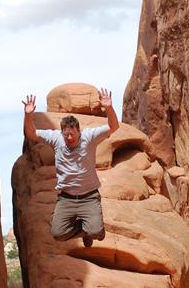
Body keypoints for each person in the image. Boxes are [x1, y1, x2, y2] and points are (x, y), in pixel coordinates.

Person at [22, 88, 119, 247]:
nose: (69, 138)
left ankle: (92, 231)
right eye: (66, 134)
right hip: (66, 198)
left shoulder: (89, 137)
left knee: (96, 231)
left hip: (89, 197)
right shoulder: (56, 138)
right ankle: (84, 230)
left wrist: (108, 108)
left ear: (78, 130)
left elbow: (113, 127)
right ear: (62, 132)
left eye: (72, 134)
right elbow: (31, 133)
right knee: (58, 234)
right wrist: (28, 115)